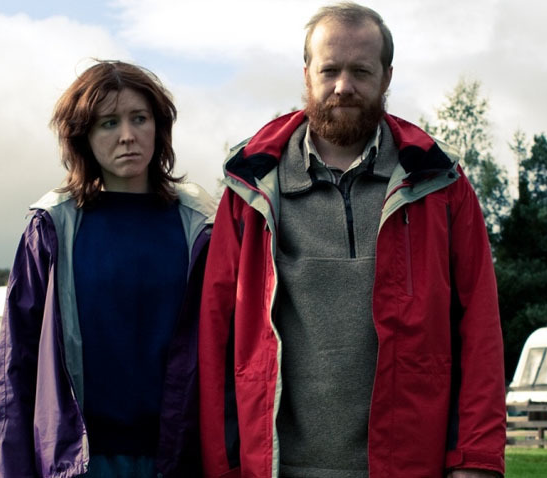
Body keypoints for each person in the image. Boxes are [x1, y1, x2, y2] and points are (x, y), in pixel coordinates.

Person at [198, 3, 506, 477]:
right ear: (307, 74)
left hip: (408, 467)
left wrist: (476, 460)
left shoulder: (440, 183)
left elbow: (480, 328)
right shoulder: (250, 188)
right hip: (276, 467)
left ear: (386, 77)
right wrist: (222, 466)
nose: (344, 86)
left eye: (361, 71)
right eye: (330, 70)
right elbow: (216, 335)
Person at [0, 60, 214, 478]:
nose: (127, 135)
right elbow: (15, 365)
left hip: (179, 456)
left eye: (139, 118)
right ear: (84, 138)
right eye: (109, 123)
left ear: (159, 126)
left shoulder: (202, 226)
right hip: (80, 460)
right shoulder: (51, 226)